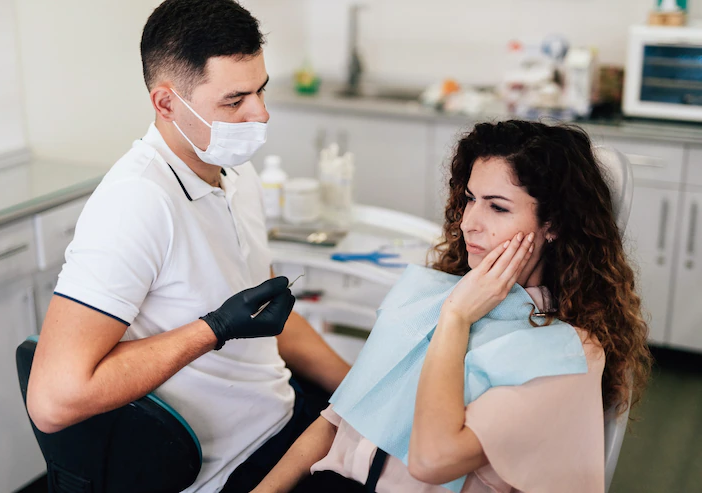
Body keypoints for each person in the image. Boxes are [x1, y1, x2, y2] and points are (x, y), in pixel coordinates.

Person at [25, 1, 350, 491]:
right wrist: (213, 328)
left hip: (280, 415)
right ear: (166, 103)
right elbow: (52, 402)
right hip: (223, 468)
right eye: (234, 100)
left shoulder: (236, 172)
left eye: (261, 90)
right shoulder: (136, 203)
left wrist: (356, 388)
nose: (260, 114)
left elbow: (265, 315)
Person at [251, 120, 653, 493]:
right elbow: (338, 418)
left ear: (554, 225)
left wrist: (456, 320)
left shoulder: (566, 353)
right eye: (470, 199)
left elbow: (432, 460)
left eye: (497, 207)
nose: (468, 223)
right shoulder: (429, 294)